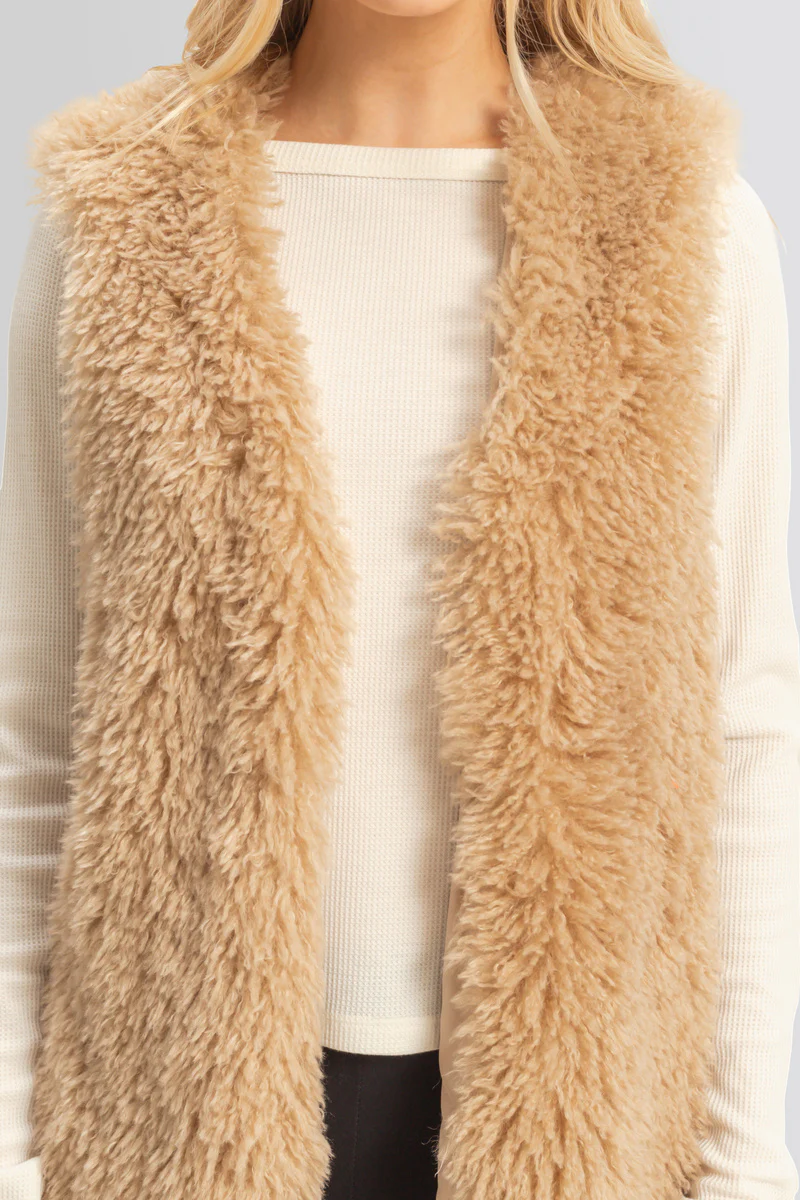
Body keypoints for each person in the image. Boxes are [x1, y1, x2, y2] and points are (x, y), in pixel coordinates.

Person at [1, 0, 799, 1197]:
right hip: (165, 1111)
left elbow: (740, 728)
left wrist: (742, 1168)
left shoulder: (681, 225)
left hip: (582, 1113)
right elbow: (36, 737)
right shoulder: (119, 213)